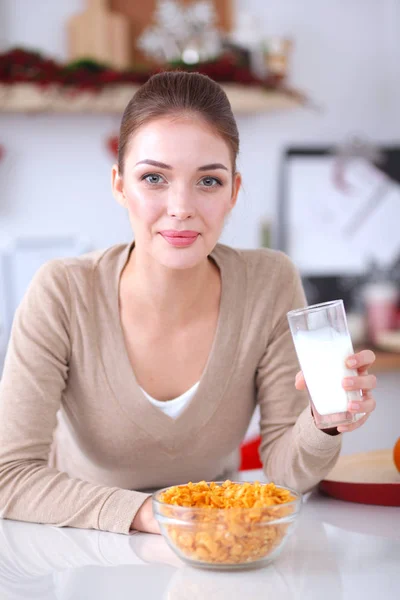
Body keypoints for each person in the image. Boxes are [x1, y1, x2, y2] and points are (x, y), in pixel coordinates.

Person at [0, 71, 377, 536]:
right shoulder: (62, 292)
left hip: (217, 546)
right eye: (153, 177)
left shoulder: (268, 281)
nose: (181, 206)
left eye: (209, 182)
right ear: (119, 185)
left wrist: (322, 422)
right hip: (78, 543)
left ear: (234, 191)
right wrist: (161, 516)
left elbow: (286, 473)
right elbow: (9, 477)